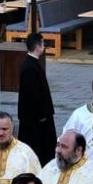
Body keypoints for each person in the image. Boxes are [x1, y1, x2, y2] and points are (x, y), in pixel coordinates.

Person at [17, 32, 56, 165]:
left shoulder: (32, 63)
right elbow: (32, 95)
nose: (44, 46)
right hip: (36, 120)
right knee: (40, 149)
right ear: (38, 47)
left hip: (38, 117)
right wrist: (41, 115)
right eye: (43, 44)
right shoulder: (30, 67)